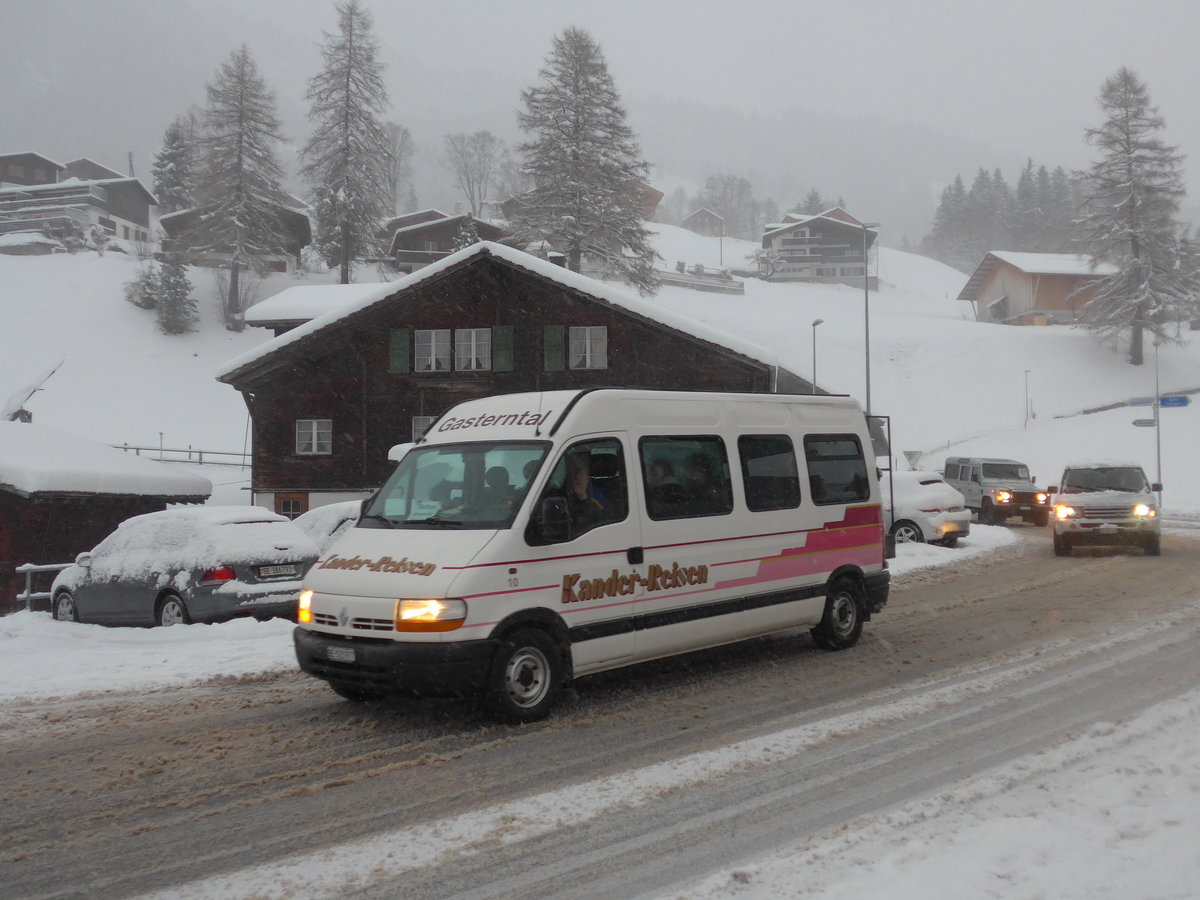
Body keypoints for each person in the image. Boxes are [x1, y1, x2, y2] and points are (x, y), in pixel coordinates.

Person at [566, 454, 606, 530]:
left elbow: (600, 520)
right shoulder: (561, 493)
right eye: (574, 475)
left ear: (587, 479)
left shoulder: (596, 494)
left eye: (581, 475)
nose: (577, 478)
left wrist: (583, 496)